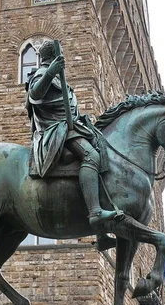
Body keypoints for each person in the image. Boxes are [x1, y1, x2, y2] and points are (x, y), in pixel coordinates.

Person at [26, 40, 116, 229]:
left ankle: (101, 231)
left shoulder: (59, 78)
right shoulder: (41, 73)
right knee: (91, 156)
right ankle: (95, 212)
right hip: (55, 130)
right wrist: (50, 72)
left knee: (102, 148)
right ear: (52, 57)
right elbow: (34, 95)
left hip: (69, 128)